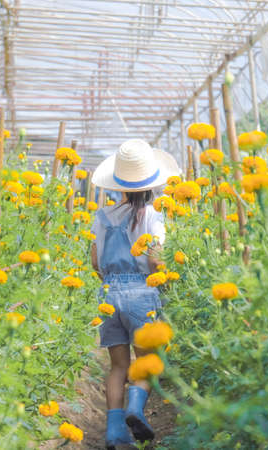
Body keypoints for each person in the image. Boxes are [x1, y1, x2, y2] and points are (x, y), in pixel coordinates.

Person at [90, 139, 179, 449]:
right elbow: (155, 260)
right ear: (152, 184)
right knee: (146, 362)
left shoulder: (103, 216)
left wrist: (111, 281)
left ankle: (114, 433)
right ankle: (134, 410)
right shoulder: (154, 216)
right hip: (143, 292)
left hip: (108, 294)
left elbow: (95, 261)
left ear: (120, 185)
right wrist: (166, 279)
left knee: (117, 366)